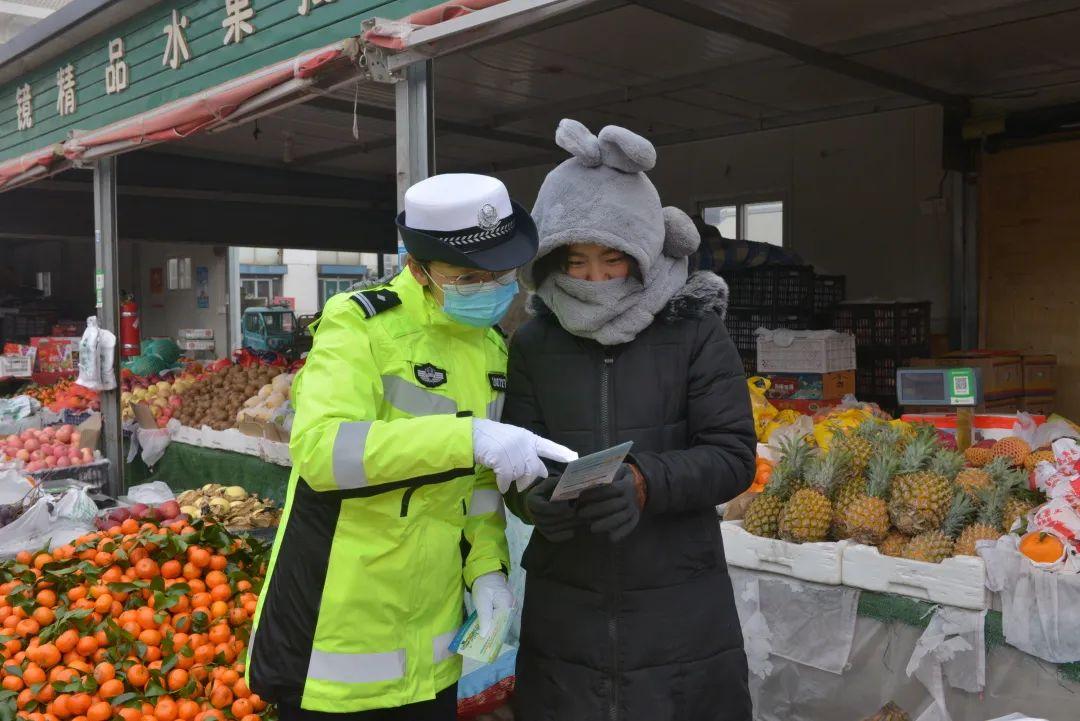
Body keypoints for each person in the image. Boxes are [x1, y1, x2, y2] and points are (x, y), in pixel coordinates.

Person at [248, 174, 576, 721]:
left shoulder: (492, 350)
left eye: (500, 274)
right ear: (418, 269)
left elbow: (479, 490)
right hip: (338, 633)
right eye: (469, 277)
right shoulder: (359, 326)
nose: (490, 287)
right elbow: (323, 452)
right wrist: (466, 436)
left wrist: (489, 571)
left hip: (433, 643)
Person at [503, 120, 756, 721]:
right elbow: (518, 458)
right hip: (567, 608)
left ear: (644, 252)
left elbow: (732, 455)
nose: (593, 280)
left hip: (677, 602)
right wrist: (530, 499)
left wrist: (645, 481)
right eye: (577, 262)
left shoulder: (695, 331)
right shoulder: (535, 342)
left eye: (612, 261)